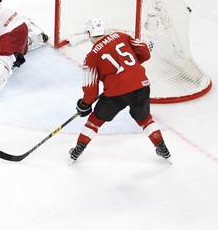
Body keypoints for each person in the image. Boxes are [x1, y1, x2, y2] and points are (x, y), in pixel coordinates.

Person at [69, 18, 171, 163]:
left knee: (95, 120)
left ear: (90, 34)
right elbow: (145, 52)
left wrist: (84, 104)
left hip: (116, 94)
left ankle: (78, 149)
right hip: (141, 85)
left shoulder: (91, 57)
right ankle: (161, 146)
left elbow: (91, 91)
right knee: (144, 118)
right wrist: (129, 69)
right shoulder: (121, 36)